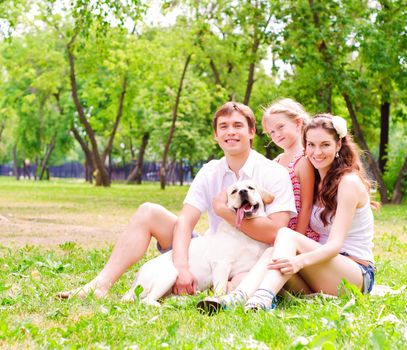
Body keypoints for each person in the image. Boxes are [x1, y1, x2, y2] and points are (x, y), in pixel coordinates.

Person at [58, 102, 296, 299]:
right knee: (148, 211)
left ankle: (222, 289)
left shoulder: (272, 172)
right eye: (223, 127)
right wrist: (181, 267)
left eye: (237, 126)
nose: (230, 132)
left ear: (251, 132)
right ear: (216, 135)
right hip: (209, 249)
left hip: (249, 257)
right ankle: (100, 285)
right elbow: (185, 221)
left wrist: (223, 211)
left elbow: (276, 232)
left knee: (239, 283)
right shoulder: (210, 171)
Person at [198, 113, 377, 312]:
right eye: (311, 145)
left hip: (355, 274)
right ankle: (236, 298)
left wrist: (298, 261)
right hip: (321, 270)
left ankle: (263, 298)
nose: (317, 152)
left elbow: (334, 246)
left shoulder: (349, 183)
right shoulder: (317, 181)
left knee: (284, 235)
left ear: (339, 145)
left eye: (325, 145)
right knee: (271, 252)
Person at [262, 98, 319, 242]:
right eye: (271, 132)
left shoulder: (303, 160)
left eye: (280, 127)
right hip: (276, 230)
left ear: (297, 123)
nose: (276, 135)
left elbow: (306, 207)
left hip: (298, 233)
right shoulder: (276, 162)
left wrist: (295, 241)